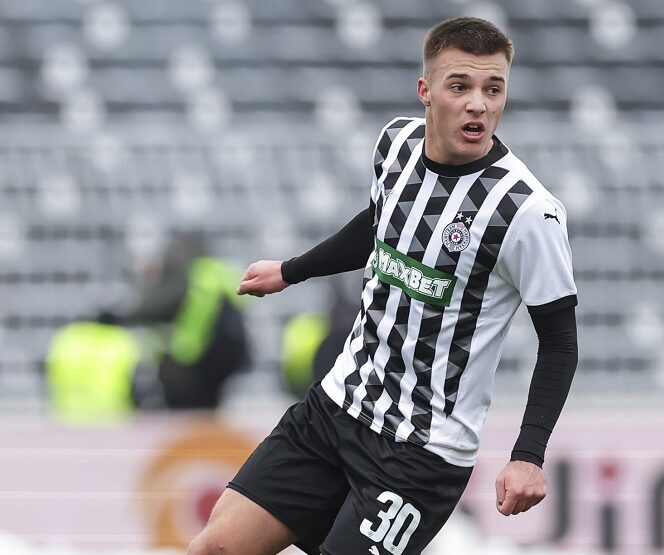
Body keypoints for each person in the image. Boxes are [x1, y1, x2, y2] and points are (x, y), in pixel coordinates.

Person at [188, 17, 579, 555]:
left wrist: (528, 455)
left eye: (493, 89)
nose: (479, 105)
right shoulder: (396, 143)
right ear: (425, 91)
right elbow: (380, 223)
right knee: (214, 548)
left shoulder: (527, 211)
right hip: (337, 406)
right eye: (460, 86)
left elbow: (559, 341)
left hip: (419, 453)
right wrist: (291, 270)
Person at [120, 230, 250, 409]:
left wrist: (150, 284)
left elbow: (157, 307)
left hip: (193, 354)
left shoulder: (190, 274)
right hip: (228, 354)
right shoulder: (221, 272)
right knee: (208, 404)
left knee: (185, 403)